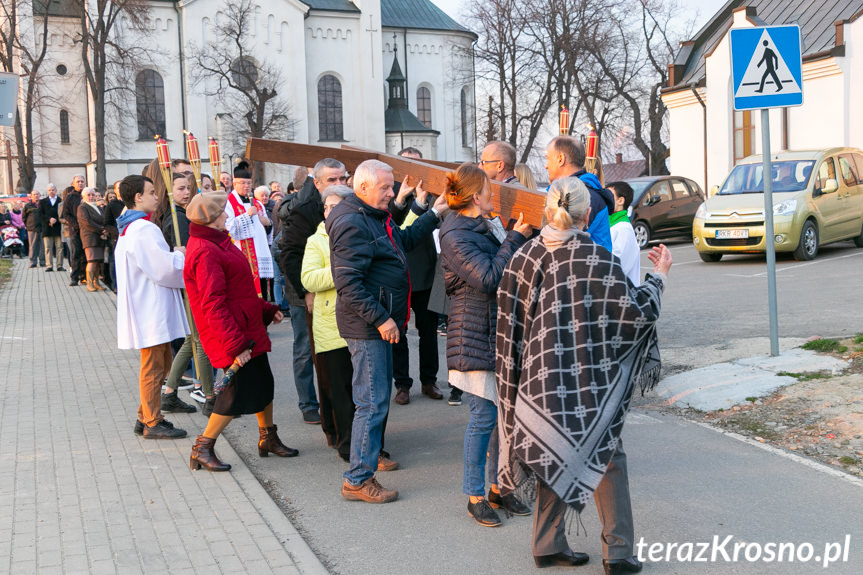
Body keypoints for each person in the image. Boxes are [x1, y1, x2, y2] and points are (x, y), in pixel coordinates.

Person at [495, 176, 671, 573]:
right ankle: (619, 553)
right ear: (587, 214)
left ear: (547, 211)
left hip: (537, 381)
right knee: (608, 456)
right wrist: (659, 275)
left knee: (547, 450)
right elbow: (635, 315)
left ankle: (546, 544)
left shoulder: (522, 258)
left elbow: (509, 327)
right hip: (589, 381)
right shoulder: (596, 259)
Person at [327, 159, 449, 503]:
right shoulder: (353, 221)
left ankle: (361, 471)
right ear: (362, 187)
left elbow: (404, 240)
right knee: (371, 402)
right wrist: (381, 318)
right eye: (385, 187)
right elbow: (348, 284)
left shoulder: (371, 215)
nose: (392, 193)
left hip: (375, 324)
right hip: (367, 328)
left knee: (374, 400)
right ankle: (357, 478)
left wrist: (434, 213)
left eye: (392, 186)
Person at [438, 163, 532, 527]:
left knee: (501, 421)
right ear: (476, 196)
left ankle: (498, 488)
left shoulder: (480, 225)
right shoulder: (455, 234)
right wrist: (514, 238)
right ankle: (475, 495)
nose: (495, 193)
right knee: (483, 418)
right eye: (489, 189)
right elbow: (489, 278)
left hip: (493, 332)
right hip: (473, 333)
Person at [184, 191, 298, 471]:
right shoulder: (205, 250)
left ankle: (267, 437)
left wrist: (266, 309)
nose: (227, 215)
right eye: (222, 212)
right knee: (232, 395)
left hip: (245, 327)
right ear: (211, 219)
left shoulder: (219, 242)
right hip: (231, 334)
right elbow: (213, 304)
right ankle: (203, 446)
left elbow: (240, 292)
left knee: (264, 385)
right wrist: (236, 344)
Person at [115, 175, 189, 440]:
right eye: (151, 192)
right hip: (151, 308)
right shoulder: (143, 230)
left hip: (148, 305)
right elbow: (162, 268)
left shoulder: (131, 228)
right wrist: (179, 254)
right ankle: (152, 422)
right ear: (138, 197)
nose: (157, 196)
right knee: (154, 366)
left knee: (161, 362)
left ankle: (144, 415)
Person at [279, 158, 347, 425]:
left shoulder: (351, 206)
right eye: (332, 180)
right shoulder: (305, 210)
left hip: (337, 292)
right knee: (307, 349)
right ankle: (309, 403)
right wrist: (305, 292)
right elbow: (290, 255)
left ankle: (338, 404)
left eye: (342, 179)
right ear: (317, 183)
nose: (339, 184)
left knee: (335, 352)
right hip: (306, 292)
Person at [301, 184, 356, 461]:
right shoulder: (316, 240)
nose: (330, 211)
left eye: (336, 206)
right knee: (340, 391)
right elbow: (308, 279)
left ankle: (368, 443)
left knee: (363, 391)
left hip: (361, 321)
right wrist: (342, 269)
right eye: (327, 207)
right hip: (331, 326)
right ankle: (347, 446)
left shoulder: (359, 233)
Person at [390, 146, 443, 405]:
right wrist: (401, 200)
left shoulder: (432, 193)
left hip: (425, 273)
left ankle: (429, 380)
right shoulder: (393, 191)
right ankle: (402, 384)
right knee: (398, 332)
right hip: (398, 274)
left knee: (428, 332)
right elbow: (391, 221)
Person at [161, 172, 213, 414]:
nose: (186, 192)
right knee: (201, 340)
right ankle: (207, 393)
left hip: (191, 282)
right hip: (192, 284)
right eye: (180, 188)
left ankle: (170, 391)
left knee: (193, 339)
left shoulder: (183, 214)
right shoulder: (178, 217)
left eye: (188, 187)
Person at [545, 136, 614, 251]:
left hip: (588, 265)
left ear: (560, 159)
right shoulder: (568, 192)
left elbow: (563, 242)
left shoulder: (584, 195)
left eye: (548, 159)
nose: (546, 165)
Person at [226, 161, 273, 300]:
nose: (246, 186)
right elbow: (229, 228)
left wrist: (268, 223)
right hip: (242, 254)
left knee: (262, 296)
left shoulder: (257, 202)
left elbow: (266, 229)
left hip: (259, 254)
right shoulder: (229, 202)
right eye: (243, 183)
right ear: (234, 183)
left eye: (249, 183)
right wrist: (248, 215)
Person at [606, 181, 641, 285]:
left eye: (608, 195)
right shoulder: (611, 225)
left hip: (622, 294)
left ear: (620, 200)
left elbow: (617, 266)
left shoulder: (623, 229)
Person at [77, 188, 109, 292]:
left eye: (92, 195)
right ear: (84, 196)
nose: (91, 197)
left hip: (99, 237)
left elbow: (102, 219)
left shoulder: (98, 207)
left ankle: (96, 282)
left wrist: (105, 229)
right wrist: (101, 229)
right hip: (90, 237)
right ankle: (89, 283)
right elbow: (86, 222)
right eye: (88, 195)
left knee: (98, 261)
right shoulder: (82, 207)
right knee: (91, 260)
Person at [60, 175, 86, 286]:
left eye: (82, 181)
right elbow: (65, 214)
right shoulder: (70, 198)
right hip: (75, 230)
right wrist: (75, 224)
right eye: (78, 182)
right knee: (76, 253)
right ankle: (74, 277)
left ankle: (84, 276)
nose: (80, 183)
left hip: (87, 230)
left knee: (86, 254)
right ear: (73, 184)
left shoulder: (87, 195)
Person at [39, 184, 64, 272]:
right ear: (47, 191)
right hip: (47, 228)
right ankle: (49, 265)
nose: (51, 191)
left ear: (56, 190)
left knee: (59, 247)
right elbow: (40, 214)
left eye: (53, 190)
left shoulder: (61, 201)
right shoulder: (42, 202)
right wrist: (49, 219)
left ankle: (59, 265)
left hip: (58, 227)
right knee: (48, 248)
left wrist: (56, 220)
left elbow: (63, 213)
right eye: (49, 190)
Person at [24, 191, 45, 268]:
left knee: (43, 246)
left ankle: (43, 262)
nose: (36, 196)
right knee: (33, 246)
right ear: (31, 196)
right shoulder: (27, 206)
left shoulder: (43, 204)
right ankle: (33, 262)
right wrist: (28, 225)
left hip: (42, 228)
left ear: (39, 195)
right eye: (34, 195)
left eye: (37, 194)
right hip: (32, 229)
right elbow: (24, 217)